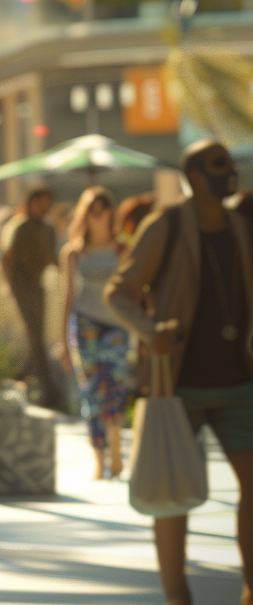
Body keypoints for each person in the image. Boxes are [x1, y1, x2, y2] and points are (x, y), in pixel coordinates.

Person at [105, 141, 253, 605]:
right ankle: (177, 597)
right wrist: (153, 332)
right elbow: (119, 292)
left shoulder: (241, 227)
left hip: (239, 382)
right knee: (172, 495)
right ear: (192, 175)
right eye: (217, 165)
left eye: (229, 165)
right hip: (176, 385)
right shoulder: (165, 225)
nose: (228, 173)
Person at [58, 186, 132, 480]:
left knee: (115, 389)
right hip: (85, 325)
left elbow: (132, 292)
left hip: (117, 327)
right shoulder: (73, 252)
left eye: (104, 209)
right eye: (92, 209)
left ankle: (115, 450)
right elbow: (67, 297)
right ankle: (99, 459)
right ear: (84, 213)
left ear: (111, 213)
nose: (98, 215)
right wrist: (63, 341)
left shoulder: (122, 249)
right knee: (90, 393)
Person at [0, 183, 59, 406]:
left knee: (35, 338)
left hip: (39, 288)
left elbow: (53, 259)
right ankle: (49, 389)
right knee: (35, 338)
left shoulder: (48, 229)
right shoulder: (19, 227)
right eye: (39, 202)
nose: (43, 207)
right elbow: (7, 257)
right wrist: (9, 287)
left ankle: (18, 377)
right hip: (21, 287)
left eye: (47, 203)